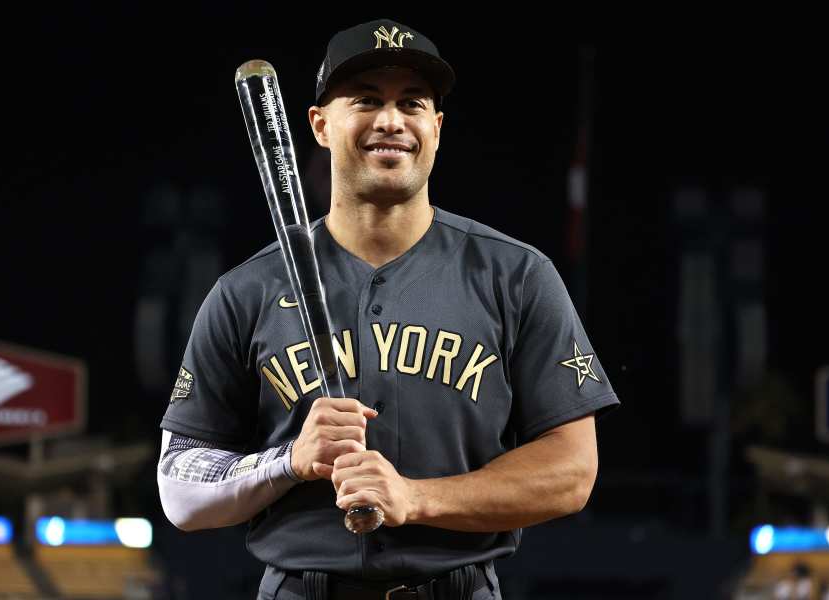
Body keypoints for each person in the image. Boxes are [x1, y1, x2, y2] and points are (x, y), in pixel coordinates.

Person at [157, 18, 620, 600]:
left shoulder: (517, 275)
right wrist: (289, 462)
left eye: (413, 103)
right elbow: (179, 490)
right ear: (321, 126)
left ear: (437, 127)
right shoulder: (245, 290)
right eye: (367, 100)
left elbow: (572, 473)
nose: (391, 121)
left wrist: (417, 497)